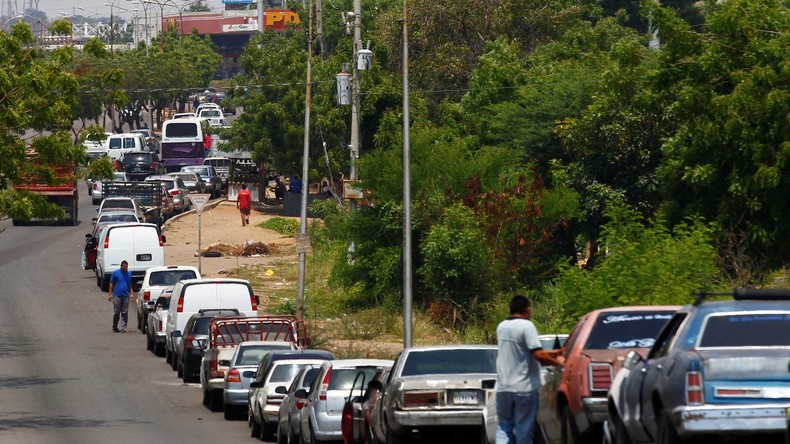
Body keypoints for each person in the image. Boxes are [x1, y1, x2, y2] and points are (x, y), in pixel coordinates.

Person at [496, 295, 564, 444]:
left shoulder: (502, 327)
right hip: (524, 389)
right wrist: (559, 363)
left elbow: (521, 352)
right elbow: (537, 354)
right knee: (524, 430)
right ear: (528, 309)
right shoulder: (527, 326)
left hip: (503, 388)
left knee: (504, 427)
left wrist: (553, 353)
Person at [108, 260, 134, 333]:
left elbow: (130, 284)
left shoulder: (129, 274)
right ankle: (114, 326)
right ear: (121, 266)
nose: (125, 268)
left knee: (125, 312)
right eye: (124, 266)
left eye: (126, 267)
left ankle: (124, 327)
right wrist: (110, 294)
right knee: (116, 312)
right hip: (117, 295)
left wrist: (131, 293)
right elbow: (111, 283)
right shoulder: (116, 273)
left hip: (125, 295)